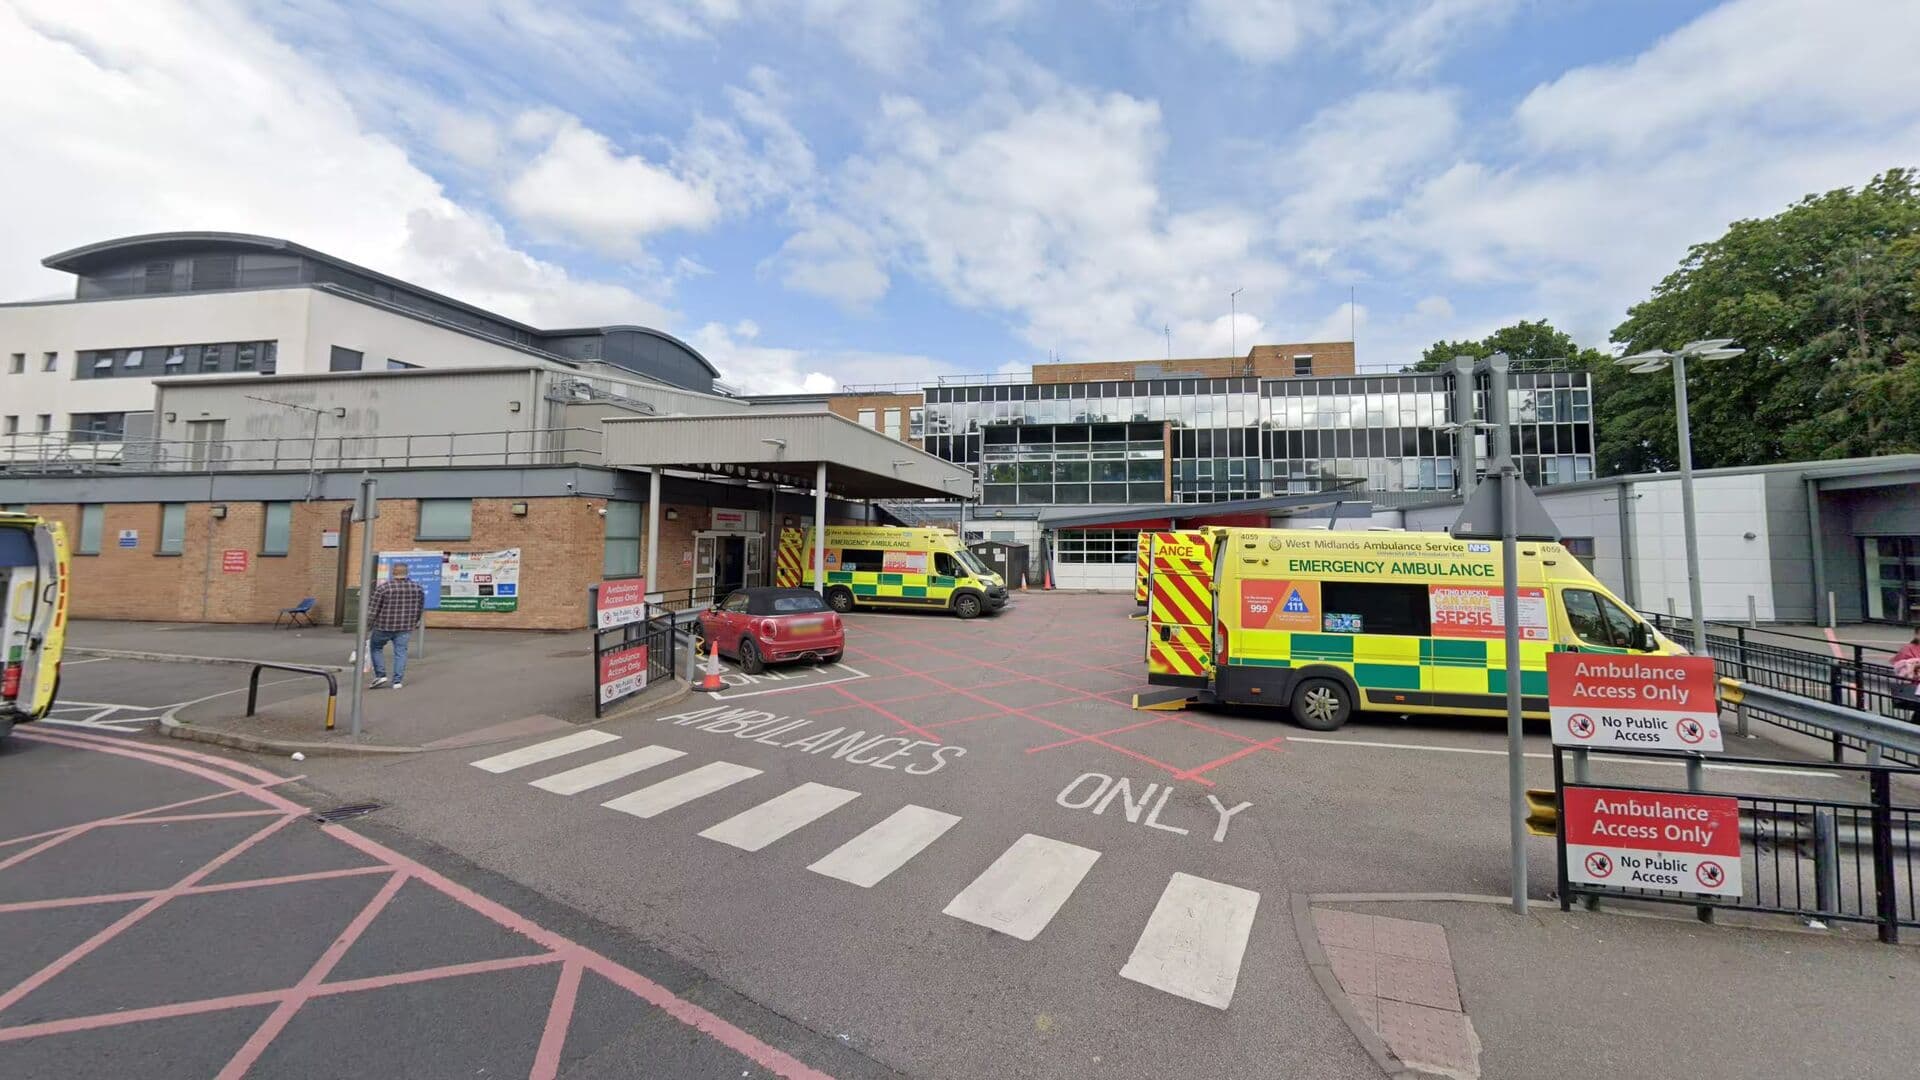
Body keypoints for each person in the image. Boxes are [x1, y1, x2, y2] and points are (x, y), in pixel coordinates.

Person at [366, 561, 426, 689]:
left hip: (384, 626)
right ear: (407, 572)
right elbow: (419, 608)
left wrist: (367, 626)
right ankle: (397, 681)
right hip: (405, 627)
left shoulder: (383, 588)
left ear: (393, 572)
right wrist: (414, 622)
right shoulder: (418, 588)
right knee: (401, 652)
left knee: (376, 648)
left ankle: (380, 675)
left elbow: (373, 610)